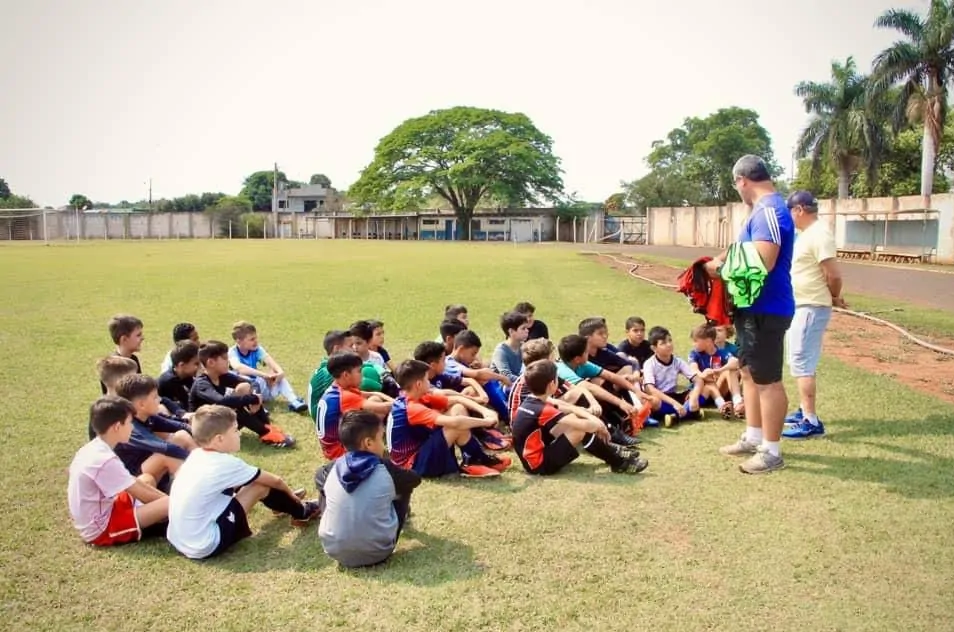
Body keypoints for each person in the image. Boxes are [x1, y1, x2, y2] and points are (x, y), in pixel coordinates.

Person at [705, 154, 795, 474]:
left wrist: (719, 269)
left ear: (742, 180)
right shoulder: (758, 212)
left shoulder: (770, 210)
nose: (737, 190)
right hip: (750, 308)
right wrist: (716, 262)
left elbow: (764, 260)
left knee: (768, 380)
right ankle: (754, 436)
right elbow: (741, 252)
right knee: (748, 373)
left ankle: (771, 451)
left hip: (766, 309)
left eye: (736, 185)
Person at [166, 405, 320, 560]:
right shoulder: (224, 463)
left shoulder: (196, 455)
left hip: (179, 538)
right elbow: (276, 481)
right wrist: (292, 497)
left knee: (246, 481)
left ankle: (279, 506)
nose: (238, 434)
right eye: (234, 430)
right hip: (205, 544)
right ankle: (302, 512)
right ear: (219, 439)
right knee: (260, 485)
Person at [317, 410, 422, 568]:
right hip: (379, 551)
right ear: (368, 443)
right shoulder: (385, 468)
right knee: (404, 486)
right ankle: (394, 522)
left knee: (324, 487)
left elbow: (318, 478)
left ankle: (338, 526)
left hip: (334, 551)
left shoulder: (332, 468)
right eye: (381, 438)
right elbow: (414, 479)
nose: (384, 444)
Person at [511, 360, 648, 475]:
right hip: (538, 465)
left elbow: (564, 405)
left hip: (534, 456)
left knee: (574, 421)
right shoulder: (543, 409)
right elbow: (587, 426)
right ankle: (618, 462)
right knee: (579, 429)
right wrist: (599, 425)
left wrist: (591, 418)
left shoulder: (533, 400)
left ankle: (612, 451)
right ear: (552, 384)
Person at [68, 396, 169, 546]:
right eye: (129, 423)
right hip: (101, 528)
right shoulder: (104, 459)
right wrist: (168, 504)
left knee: (147, 478)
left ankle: (158, 519)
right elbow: (139, 491)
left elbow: (133, 483)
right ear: (117, 427)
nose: (132, 428)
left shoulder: (94, 447)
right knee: (171, 503)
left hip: (108, 508)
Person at [783, 190, 843, 439]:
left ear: (799, 210)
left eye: (791, 211)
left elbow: (834, 274)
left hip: (811, 306)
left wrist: (836, 296)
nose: (790, 217)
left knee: (801, 360)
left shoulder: (819, 234)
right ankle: (803, 410)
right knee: (801, 358)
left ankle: (811, 421)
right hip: (804, 305)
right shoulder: (807, 235)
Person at [386, 360, 509, 479]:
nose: (429, 383)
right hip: (412, 465)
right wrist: (486, 422)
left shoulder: (412, 396)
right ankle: (474, 460)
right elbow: (455, 423)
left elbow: (456, 399)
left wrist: (485, 411)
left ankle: (474, 459)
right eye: (427, 380)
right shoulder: (411, 408)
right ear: (418, 384)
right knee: (455, 426)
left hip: (420, 450)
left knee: (457, 408)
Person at [191, 341, 296, 448]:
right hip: (204, 428)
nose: (228, 362)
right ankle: (264, 432)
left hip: (218, 421)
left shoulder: (221, 376)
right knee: (235, 408)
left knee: (245, 387)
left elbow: (252, 383)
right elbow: (221, 401)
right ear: (211, 363)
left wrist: (255, 397)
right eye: (225, 359)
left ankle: (267, 427)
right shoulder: (202, 383)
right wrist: (251, 399)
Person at [316, 351, 393, 460]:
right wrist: (404, 401)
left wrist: (378, 393)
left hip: (329, 449)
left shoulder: (336, 388)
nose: (362, 375)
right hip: (340, 452)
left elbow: (367, 395)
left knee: (375, 400)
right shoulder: (346, 396)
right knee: (377, 408)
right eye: (359, 371)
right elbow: (385, 408)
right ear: (346, 375)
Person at [228, 321, 308, 413]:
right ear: (239, 341)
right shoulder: (232, 352)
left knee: (275, 375)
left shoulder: (257, 349)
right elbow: (240, 368)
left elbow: (271, 362)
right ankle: (258, 407)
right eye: (252, 339)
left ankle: (294, 401)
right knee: (247, 379)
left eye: (256, 338)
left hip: (259, 387)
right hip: (245, 390)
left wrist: (279, 373)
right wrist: (264, 375)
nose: (256, 341)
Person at [641, 326, 705, 427]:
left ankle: (675, 416)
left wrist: (694, 397)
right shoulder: (649, 364)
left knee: (705, 390)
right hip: (662, 399)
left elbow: (698, 380)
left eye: (670, 340)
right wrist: (674, 403)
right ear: (654, 348)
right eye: (663, 343)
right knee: (652, 401)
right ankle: (691, 413)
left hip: (674, 395)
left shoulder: (677, 361)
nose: (669, 345)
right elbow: (650, 390)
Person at [687, 324, 742, 418]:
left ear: (708, 341)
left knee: (730, 371)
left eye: (696, 341)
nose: (694, 344)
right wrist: (703, 374)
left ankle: (737, 402)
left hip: (719, 389)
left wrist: (718, 370)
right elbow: (693, 369)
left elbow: (735, 362)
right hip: (703, 391)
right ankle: (722, 405)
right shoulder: (694, 354)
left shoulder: (721, 352)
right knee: (709, 382)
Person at [99, 314, 144, 393]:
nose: (143, 338)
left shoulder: (133, 359)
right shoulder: (112, 367)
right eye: (138, 335)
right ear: (124, 339)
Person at [158, 340, 201, 412]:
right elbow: (188, 405)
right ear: (182, 365)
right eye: (196, 364)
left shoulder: (186, 376)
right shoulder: (169, 381)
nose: (199, 367)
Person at [490, 311, 529, 384]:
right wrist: (528, 382)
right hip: (501, 387)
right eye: (523, 328)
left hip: (518, 384)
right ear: (511, 331)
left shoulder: (524, 347)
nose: (527, 331)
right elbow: (506, 375)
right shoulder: (501, 351)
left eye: (527, 328)